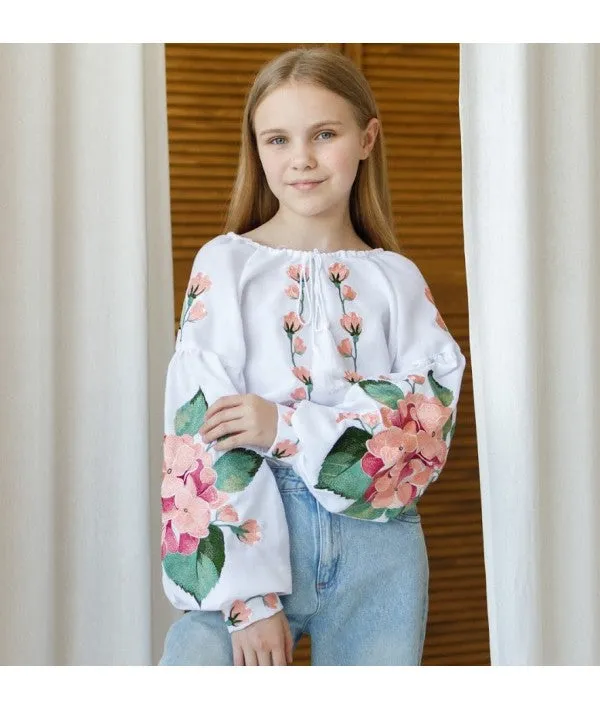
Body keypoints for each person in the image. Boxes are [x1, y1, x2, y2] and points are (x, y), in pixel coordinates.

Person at [158, 46, 466, 666]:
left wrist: (285, 425)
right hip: (251, 527)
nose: (300, 158)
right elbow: (197, 427)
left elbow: (427, 419)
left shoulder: (397, 278)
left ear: (366, 139)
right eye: (277, 139)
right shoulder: (228, 265)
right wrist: (249, 600)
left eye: (324, 133)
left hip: (381, 551)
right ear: (257, 149)